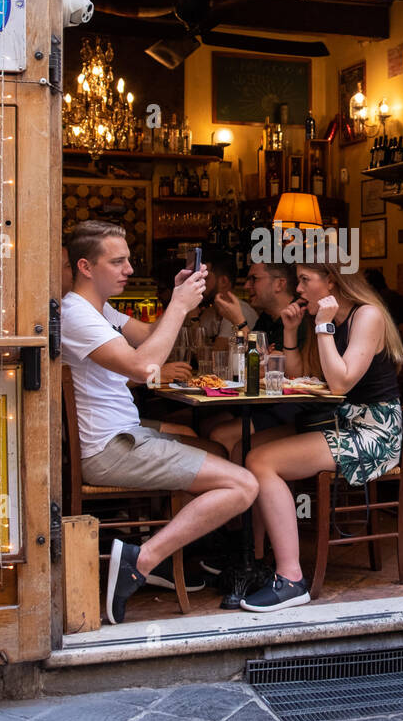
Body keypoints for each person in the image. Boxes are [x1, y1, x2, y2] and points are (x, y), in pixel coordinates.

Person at [60, 221, 258, 624]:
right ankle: (143, 559)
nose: (129, 269)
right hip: (111, 448)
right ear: (85, 266)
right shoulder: (74, 313)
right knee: (244, 483)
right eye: (117, 262)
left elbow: (150, 334)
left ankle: (175, 555)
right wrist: (183, 306)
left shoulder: (99, 308)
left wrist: (174, 298)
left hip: (123, 434)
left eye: (128, 260)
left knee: (213, 448)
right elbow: (142, 364)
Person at [240, 262, 403, 612]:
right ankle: (255, 560)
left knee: (260, 461)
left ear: (332, 281)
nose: (298, 290)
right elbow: (304, 376)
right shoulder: (331, 321)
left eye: (305, 280)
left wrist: (323, 326)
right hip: (337, 421)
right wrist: (290, 332)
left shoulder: (367, 316)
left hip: (371, 431)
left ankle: (290, 579)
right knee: (247, 448)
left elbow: (340, 382)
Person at [204, 260, 310, 461]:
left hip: (291, 408)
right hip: (261, 403)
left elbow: (269, 369)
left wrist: (239, 321)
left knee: (221, 434)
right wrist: (263, 358)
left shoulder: (298, 317)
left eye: (254, 279)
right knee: (208, 424)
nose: (246, 286)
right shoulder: (267, 319)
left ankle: (240, 488)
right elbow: (250, 365)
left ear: (279, 284)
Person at [196, 254, 257, 340]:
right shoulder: (208, 314)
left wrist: (193, 316)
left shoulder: (240, 311)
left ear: (223, 281)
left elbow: (219, 351)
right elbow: (195, 347)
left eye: (206, 279)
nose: (200, 283)